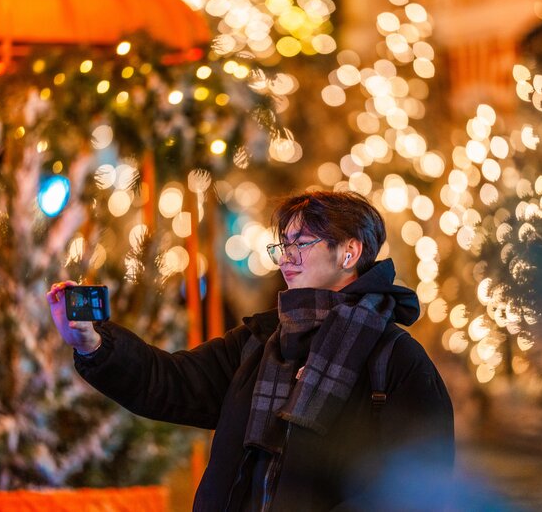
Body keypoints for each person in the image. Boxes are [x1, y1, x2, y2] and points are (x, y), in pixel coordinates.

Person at [47, 191, 454, 511]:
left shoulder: (395, 360)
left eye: (302, 243)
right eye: (283, 245)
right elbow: (169, 381)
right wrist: (93, 342)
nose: (286, 258)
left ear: (349, 252)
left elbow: (419, 489)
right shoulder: (260, 342)